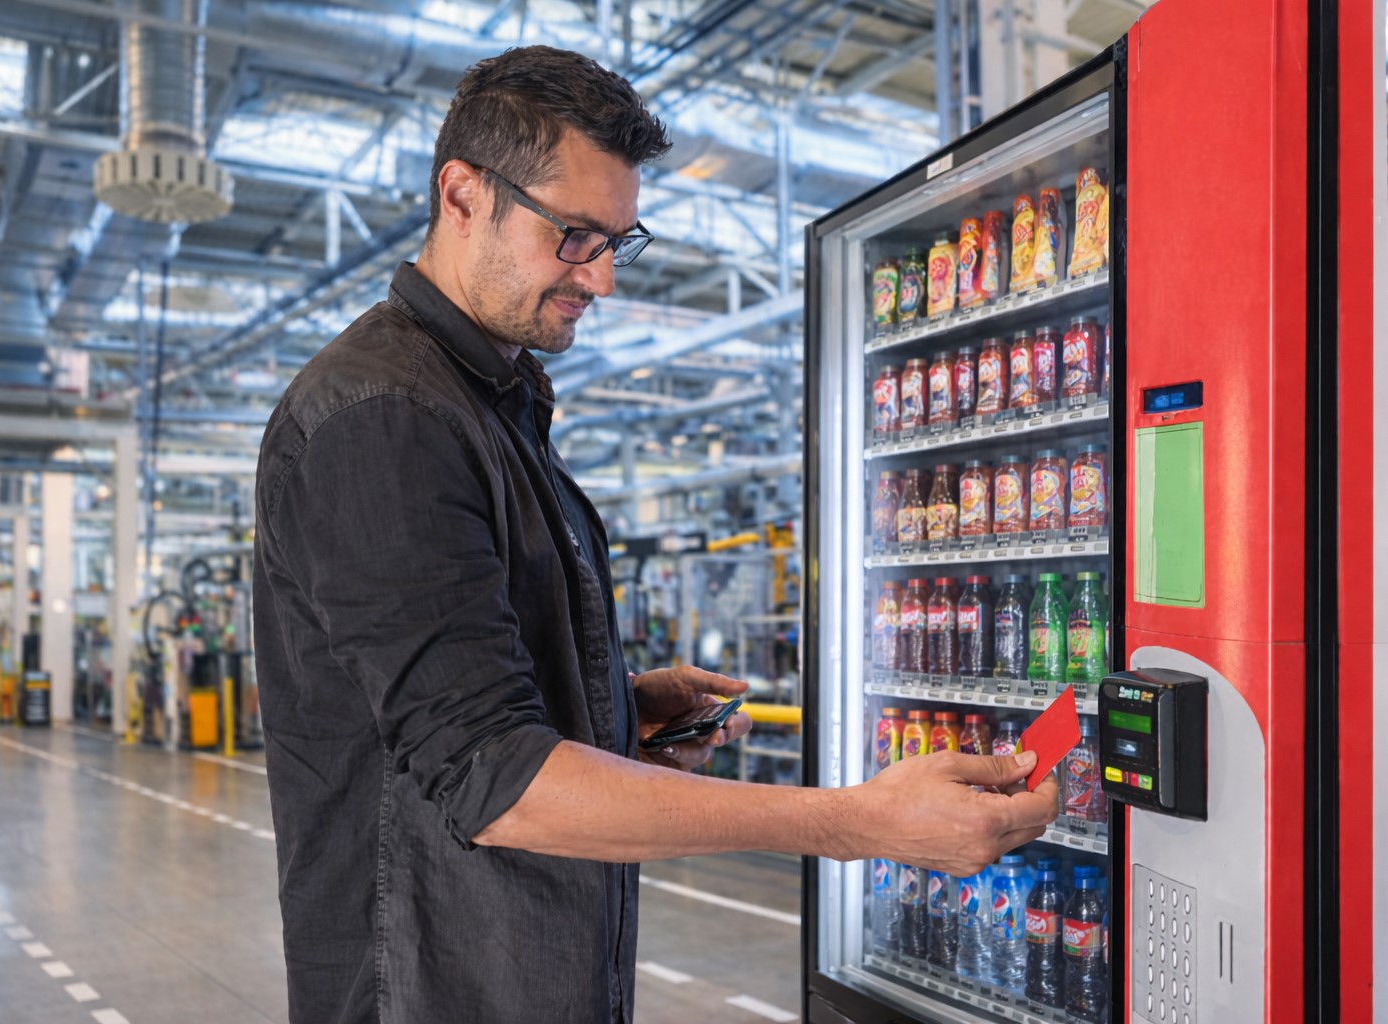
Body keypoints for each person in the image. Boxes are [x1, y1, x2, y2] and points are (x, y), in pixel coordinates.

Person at [252, 45, 1059, 1024]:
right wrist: (855, 819)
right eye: (574, 236)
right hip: (437, 989)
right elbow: (495, 781)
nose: (601, 283)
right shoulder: (383, 418)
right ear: (462, 195)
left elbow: (449, 705)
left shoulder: (489, 404)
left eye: (614, 243)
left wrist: (604, 708)